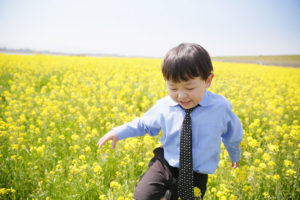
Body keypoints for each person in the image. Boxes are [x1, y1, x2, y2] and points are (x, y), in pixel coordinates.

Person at [97, 43, 243, 200]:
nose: (181, 96)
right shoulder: (164, 106)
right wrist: (117, 132)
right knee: (142, 196)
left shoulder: (220, 108)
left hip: (196, 173)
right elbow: (143, 124)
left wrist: (235, 155)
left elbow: (233, 134)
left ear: (208, 80)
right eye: (173, 89)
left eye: (189, 88)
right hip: (165, 163)